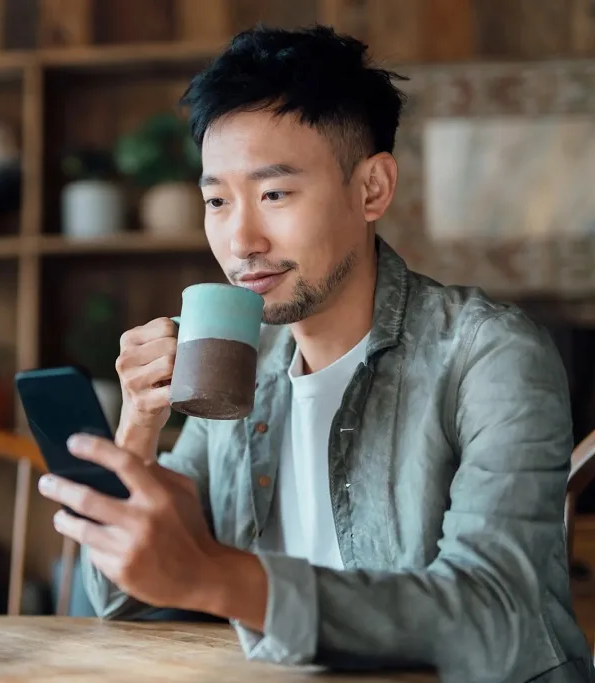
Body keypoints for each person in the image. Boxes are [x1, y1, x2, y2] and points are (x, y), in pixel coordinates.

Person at [36, 23, 595, 683]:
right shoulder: (237, 363)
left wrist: (220, 578)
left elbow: (495, 612)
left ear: (372, 189)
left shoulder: (491, 355)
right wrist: (139, 426)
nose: (240, 239)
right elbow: (129, 598)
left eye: (274, 193)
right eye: (217, 200)